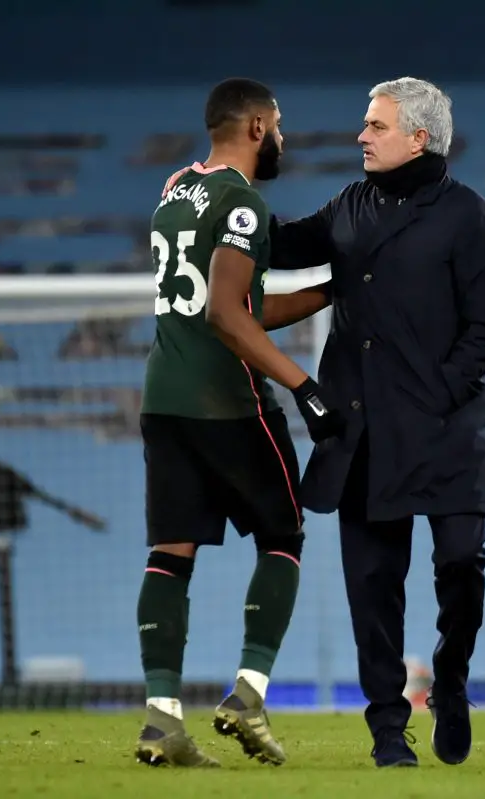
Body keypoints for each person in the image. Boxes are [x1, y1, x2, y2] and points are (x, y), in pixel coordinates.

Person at [269, 77, 485, 768]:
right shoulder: (351, 205)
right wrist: (217, 205)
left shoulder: (468, 216)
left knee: (462, 562)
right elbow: (285, 244)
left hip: (444, 431)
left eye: (375, 126)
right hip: (364, 434)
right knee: (373, 588)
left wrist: (435, 392)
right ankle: (386, 731)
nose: (361, 136)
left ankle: (452, 677)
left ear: (417, 137)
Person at [134, 77, 345, 768]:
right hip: (227, 401)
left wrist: (327, 289)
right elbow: (227, 315)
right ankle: (248, 694)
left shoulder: (176, 189)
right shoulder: (244, 205)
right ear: (256, 126)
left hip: (163, 398)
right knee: (283, 534)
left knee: (171, 551)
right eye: (278, 124)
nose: (282, 136)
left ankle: (163, 718)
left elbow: (234, 303)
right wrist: (303, 384)